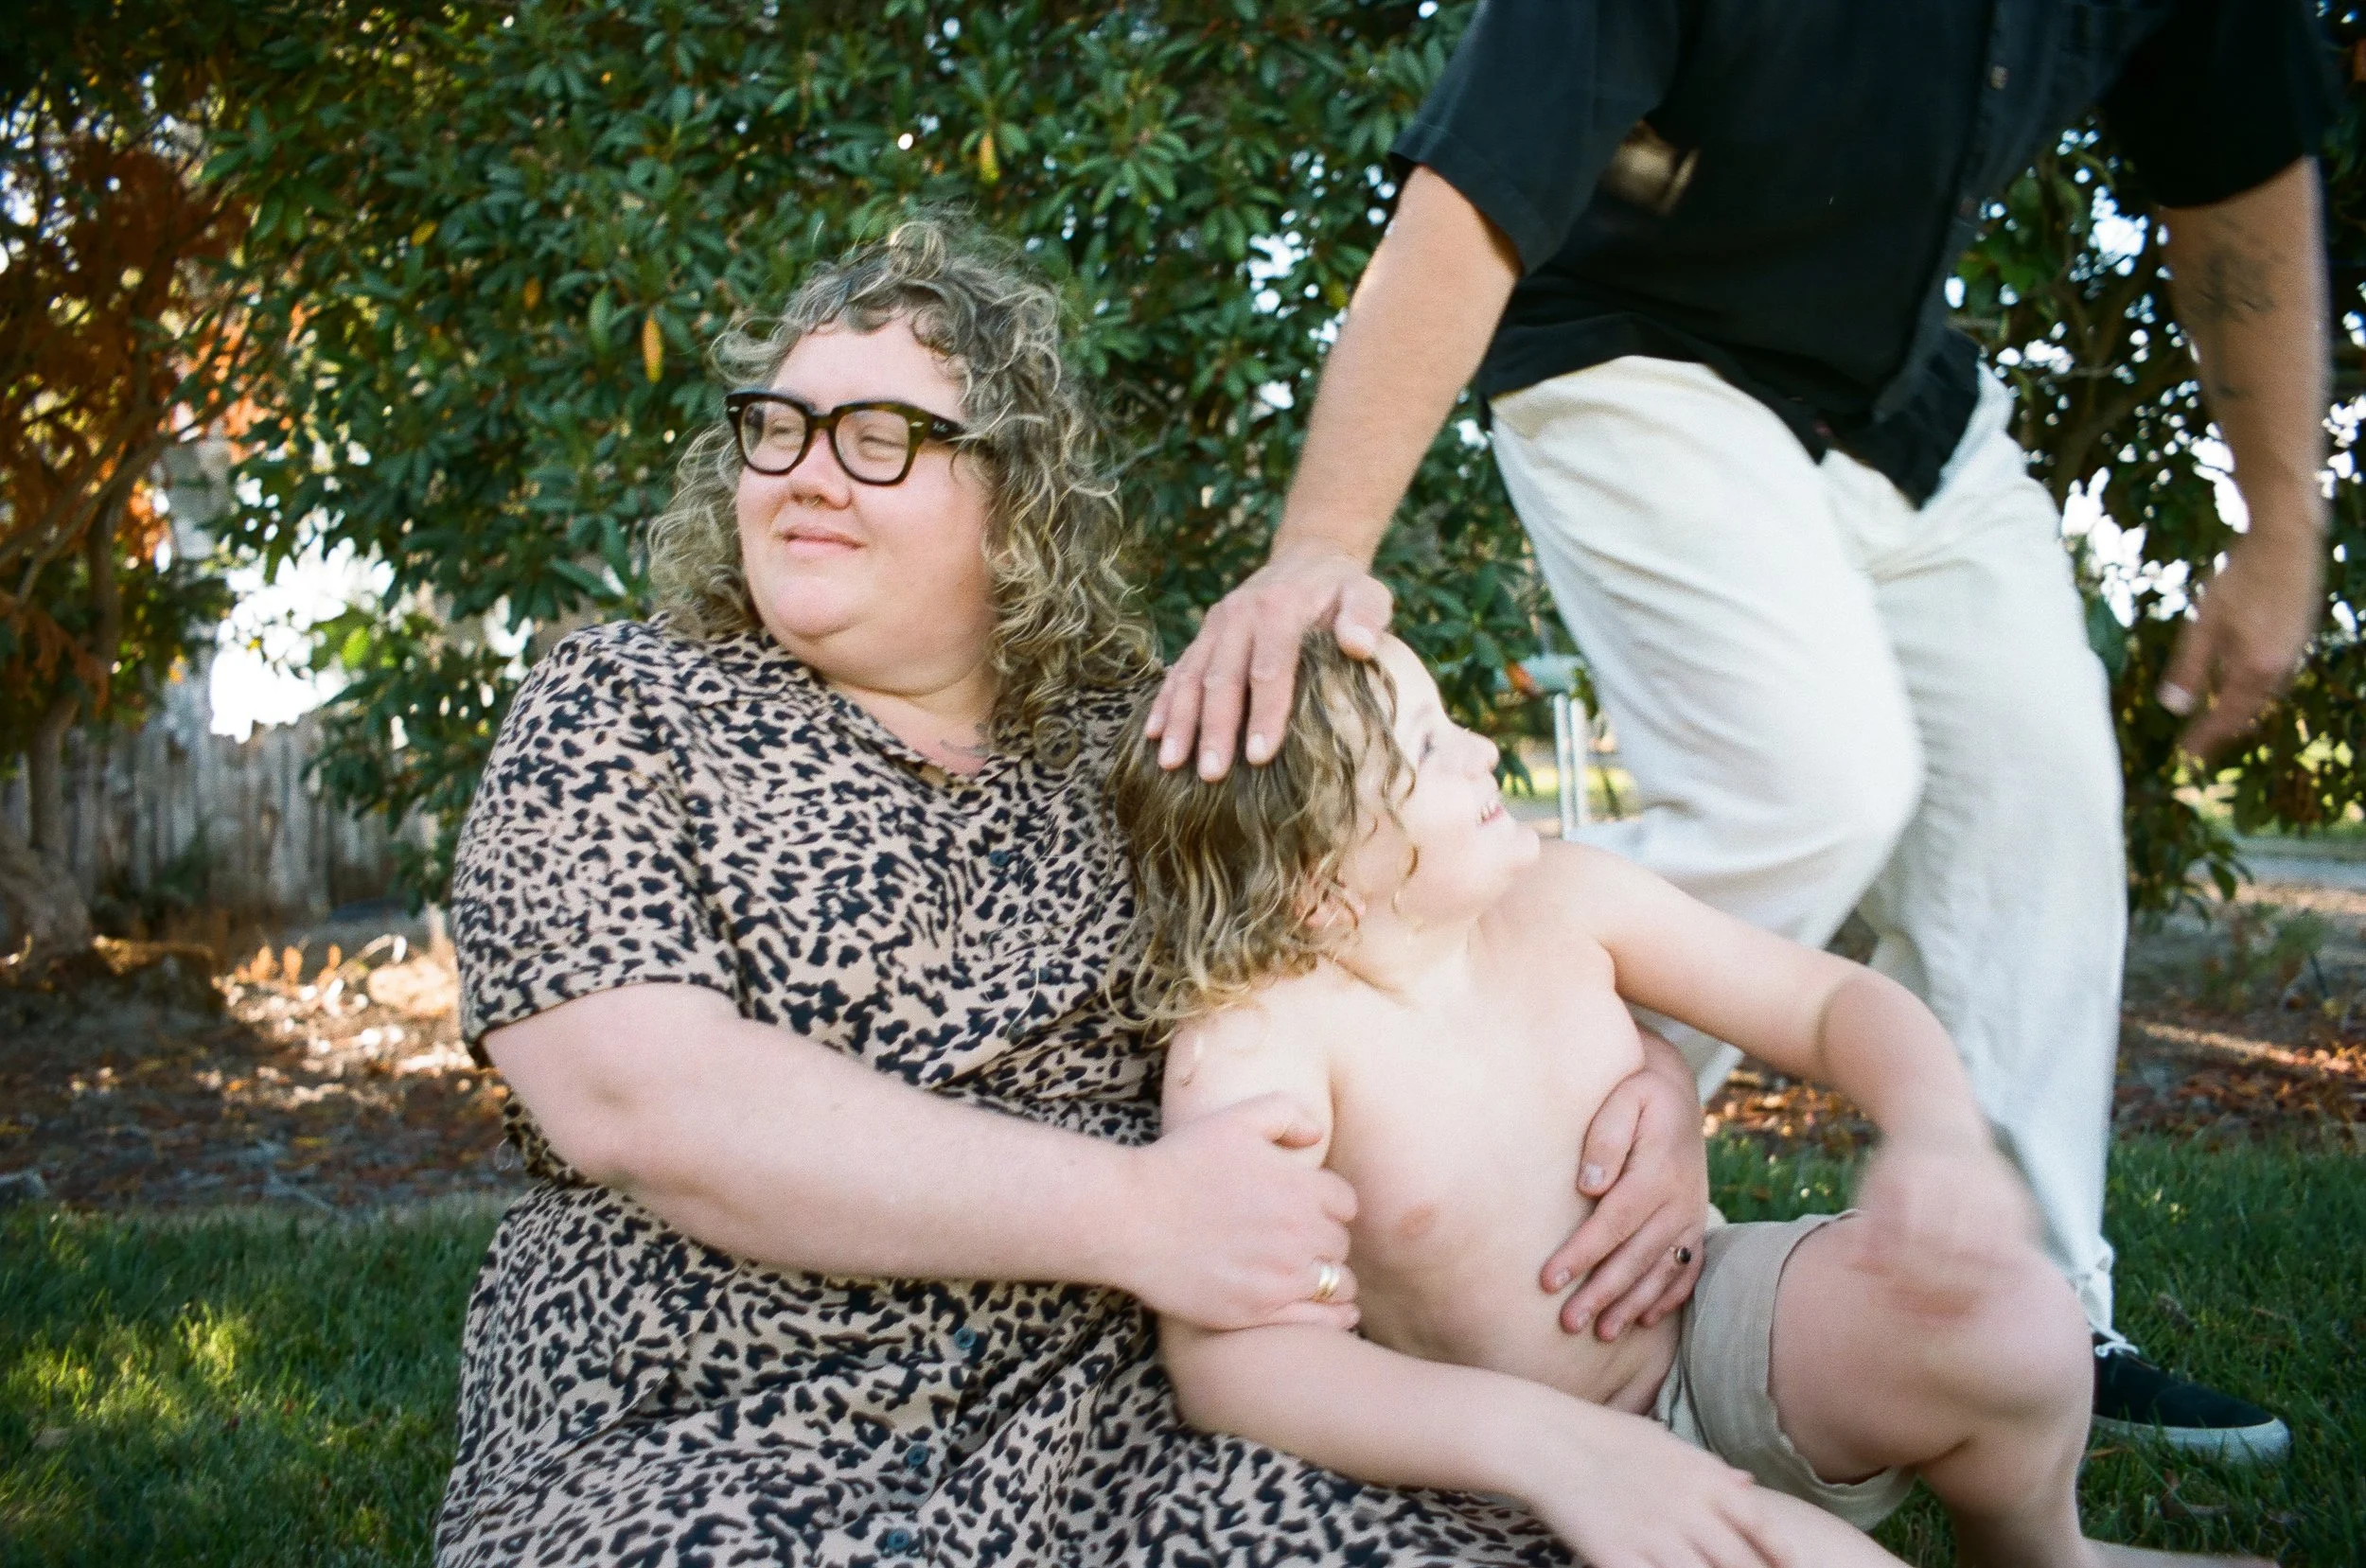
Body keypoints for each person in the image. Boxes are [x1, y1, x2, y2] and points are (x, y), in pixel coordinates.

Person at [1143, 0, 2333, 1457]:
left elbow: (2236, 167)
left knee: (2038, 781)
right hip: (1636, 344)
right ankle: (1539, 1221)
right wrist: (1321, 541)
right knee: (1813, 774)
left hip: (1900, 398)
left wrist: (2284, 515)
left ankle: (2022, 1300)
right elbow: (1475, 186)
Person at [435, 218, 1712, 1566]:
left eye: (877, 437)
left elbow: (1403, 946)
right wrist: (1137, 1214)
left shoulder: (1156, 745)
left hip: (1117, 1421)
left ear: (1016, 498)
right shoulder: (621, 706)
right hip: (710, 1412)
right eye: (779, 427)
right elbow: (643, 1100)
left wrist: (1643, 1092)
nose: (808, 473)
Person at [1110, 629, 2269, 1568]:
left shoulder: (1562, 898)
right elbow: (1236, 1363)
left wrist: (1937, 1132)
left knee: (2020, 1319)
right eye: (1424, 747)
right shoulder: (1262, 1041)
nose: (1477, 747)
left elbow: (1825, 1006)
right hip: (1510, 1476)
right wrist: (1547, 1445)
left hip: (1712, 1324)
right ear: (1319, 888)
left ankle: (2044, 1556)